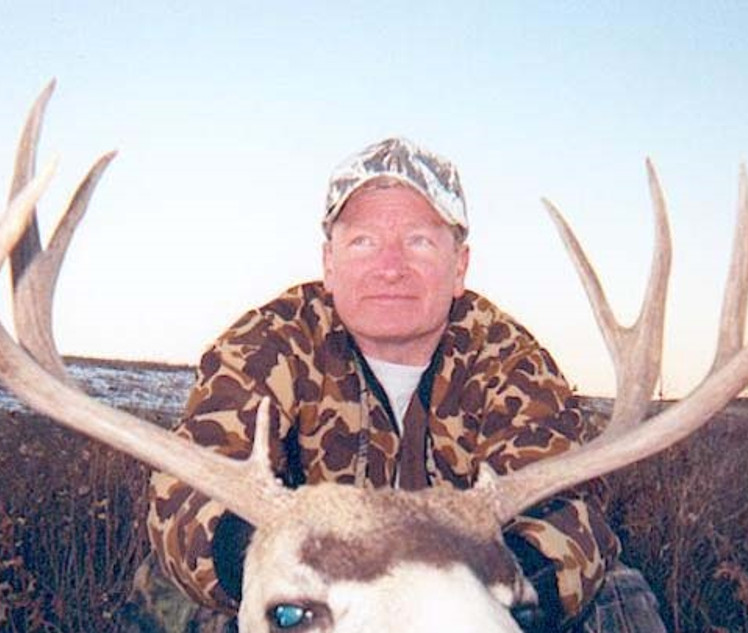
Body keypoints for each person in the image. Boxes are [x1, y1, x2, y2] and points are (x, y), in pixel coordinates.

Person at [139, 137, 666, 632]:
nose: (390, 267)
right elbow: (187, 494)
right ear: (329, 263)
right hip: (311, 595)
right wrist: (268, 561)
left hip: (465, 596)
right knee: (162, 593)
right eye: (364, 241)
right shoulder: (268, 343)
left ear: (459, 266)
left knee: (623, 599)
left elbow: (572, 513)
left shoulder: (508, 360)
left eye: (418, 241)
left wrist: (492, 589)